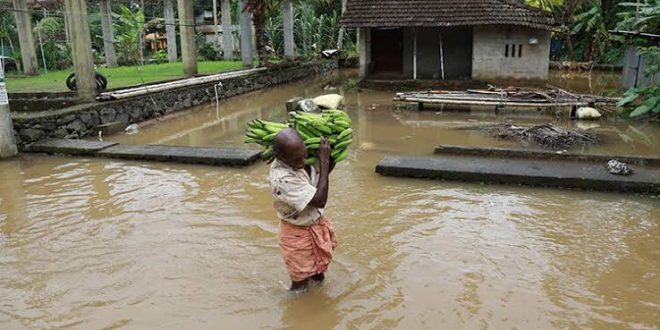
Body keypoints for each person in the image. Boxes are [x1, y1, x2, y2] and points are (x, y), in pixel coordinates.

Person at [269, 128, 338, 291]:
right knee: (300, 284)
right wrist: (324, 160)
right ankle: (296, 310)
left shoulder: (303, 157)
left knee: (319, 274)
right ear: (282, 158)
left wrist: (328, 158)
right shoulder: (282, 178)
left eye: (305, 154)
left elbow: (323, 175)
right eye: (297, 159)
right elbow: (320, 200)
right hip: (297, 233)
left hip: (315, 224)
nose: (304, 160)